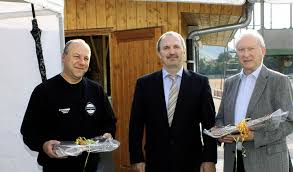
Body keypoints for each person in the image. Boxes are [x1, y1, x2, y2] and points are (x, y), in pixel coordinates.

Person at [20, 39, 116, 172]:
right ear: (63, 58)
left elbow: (109, 122)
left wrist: (108, 134)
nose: (82, 62)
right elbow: (28, 131)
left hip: (92, 166)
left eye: (86, 58)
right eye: (76, 56)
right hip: (56, 167)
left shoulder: (97, 90)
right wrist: (43, 145)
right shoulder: (43, 92)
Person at [128, 31, 217, 172]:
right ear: (159, 53)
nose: (171, 52)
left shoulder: (200, 83)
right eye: (166, 48)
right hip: (155, 162)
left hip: (191, 162)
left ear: (183, 51)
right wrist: (137, 159)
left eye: (176, 47)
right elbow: (135, 126)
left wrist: (209, 159)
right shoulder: (144, 84)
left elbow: (209, 125)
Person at [215, 29, 293, 172]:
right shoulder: (230, 83)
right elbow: (221, 117)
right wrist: (220, 133)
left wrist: (255, 137)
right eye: (241, 49)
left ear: (262, 51)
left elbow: (289, 122)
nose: (245, 54)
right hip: (234, 160)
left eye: (251, 49)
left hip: (267, 163)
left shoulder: (279, 81)